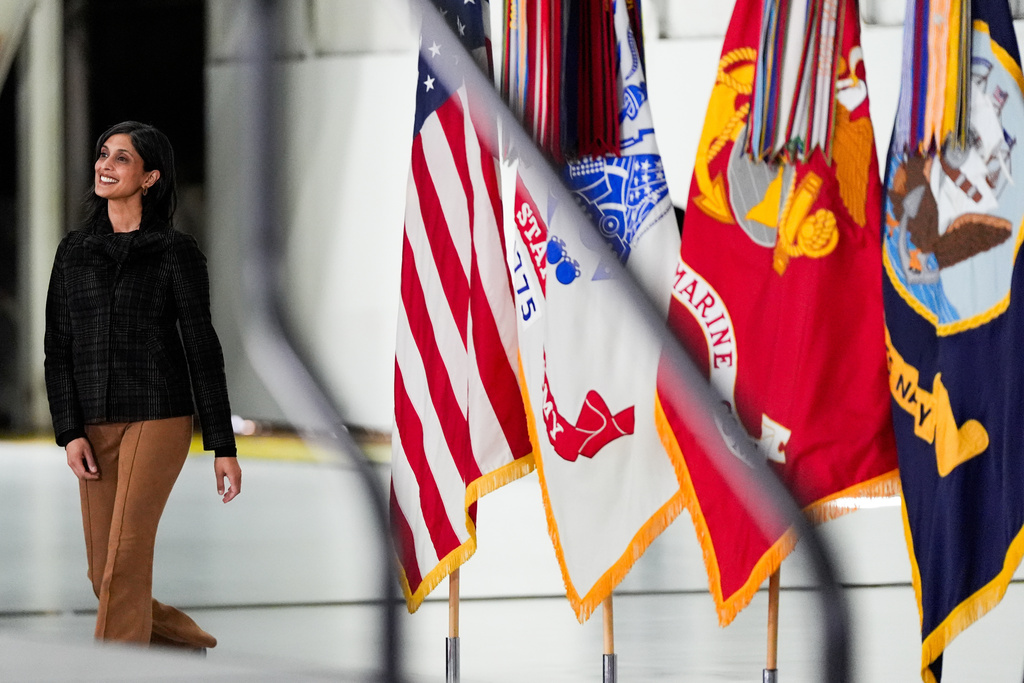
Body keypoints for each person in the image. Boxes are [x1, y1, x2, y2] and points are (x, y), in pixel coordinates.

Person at [43, 121, 242, 652]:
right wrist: (69, 431)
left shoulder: (175, 253)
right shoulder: (73, 252)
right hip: (92, 423)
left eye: (121, 158)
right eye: (102, 154)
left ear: (150, 177)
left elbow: (203, 347)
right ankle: (182, 638)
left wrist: (222, 444)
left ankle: (114, 670)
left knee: (125, 560)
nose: (104, 165)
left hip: (158, 415)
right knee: (101, 574)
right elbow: (56, 348)